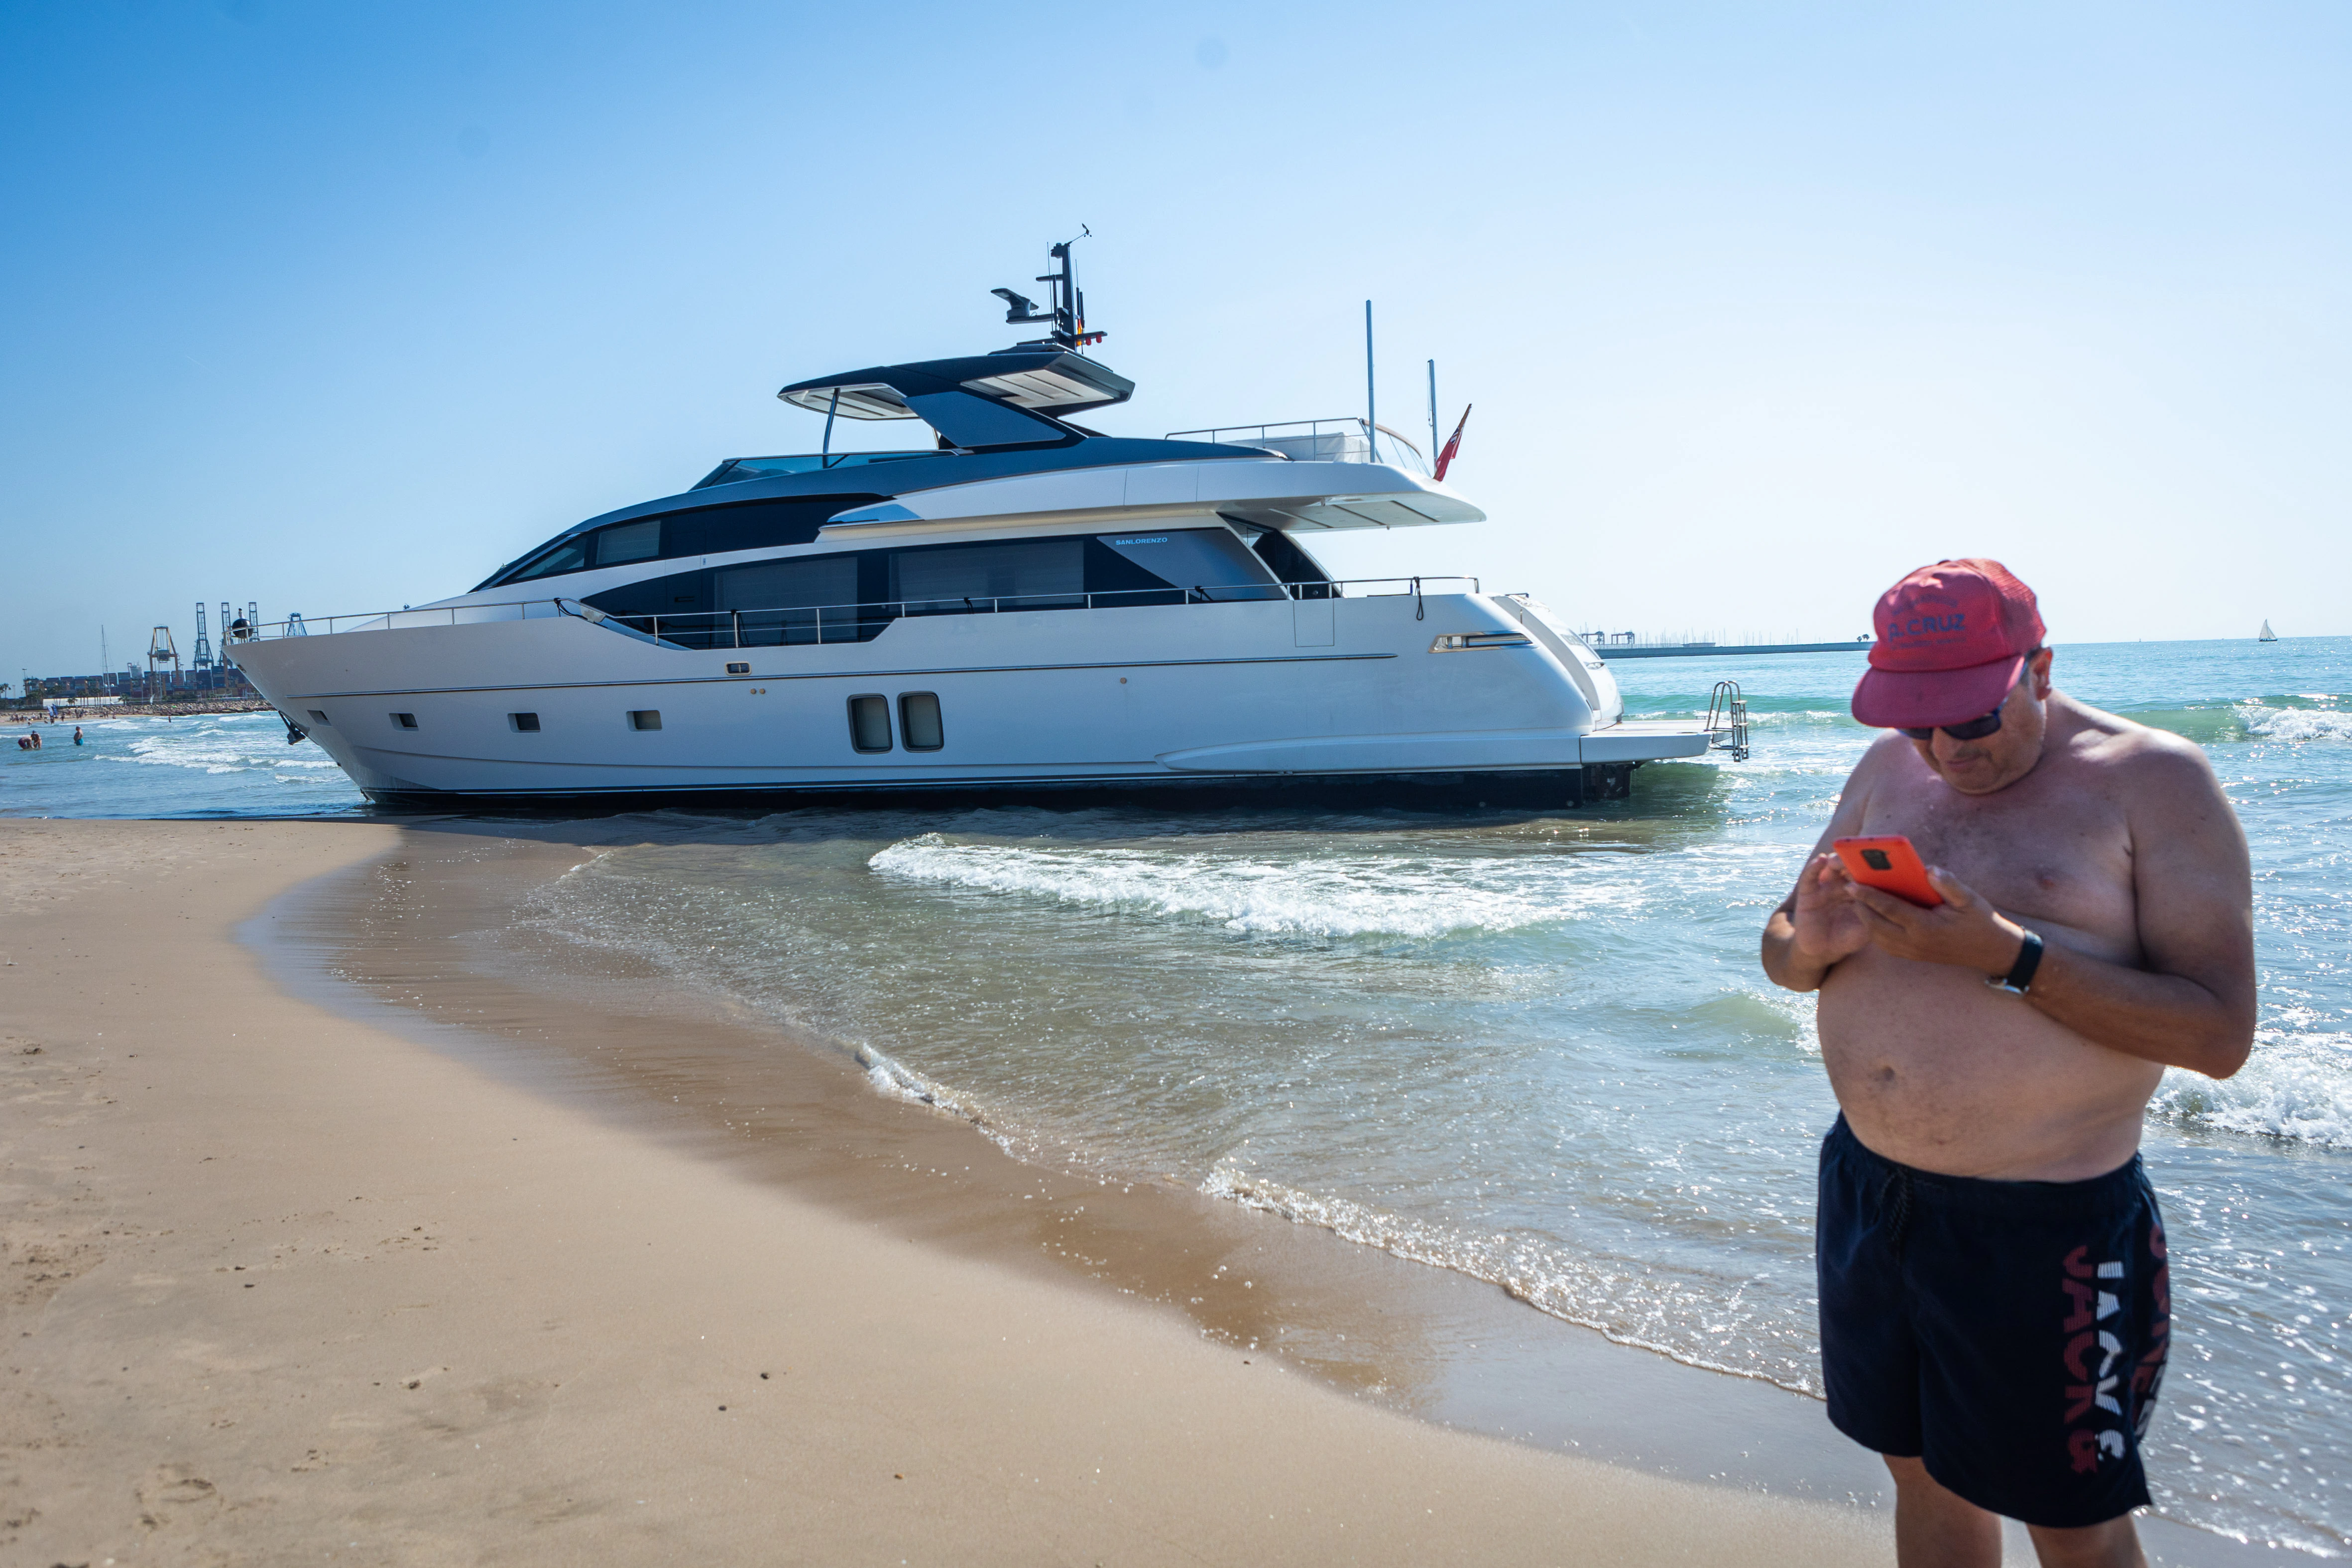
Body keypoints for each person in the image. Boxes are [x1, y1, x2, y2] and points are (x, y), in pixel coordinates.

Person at [1761, 559, 2255, 1568]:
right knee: (1922, 1471)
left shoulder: (2155, 781)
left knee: (2070, 1520)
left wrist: (2009, 956)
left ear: (2037, 667)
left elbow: (2217, 1035)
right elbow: (1779, 950)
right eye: (1916, 724)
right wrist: (1807, 940)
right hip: (1871, 1192)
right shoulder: (1887, 773)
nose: (1945, 752)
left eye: (1971, 722)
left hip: (2047, 1229)